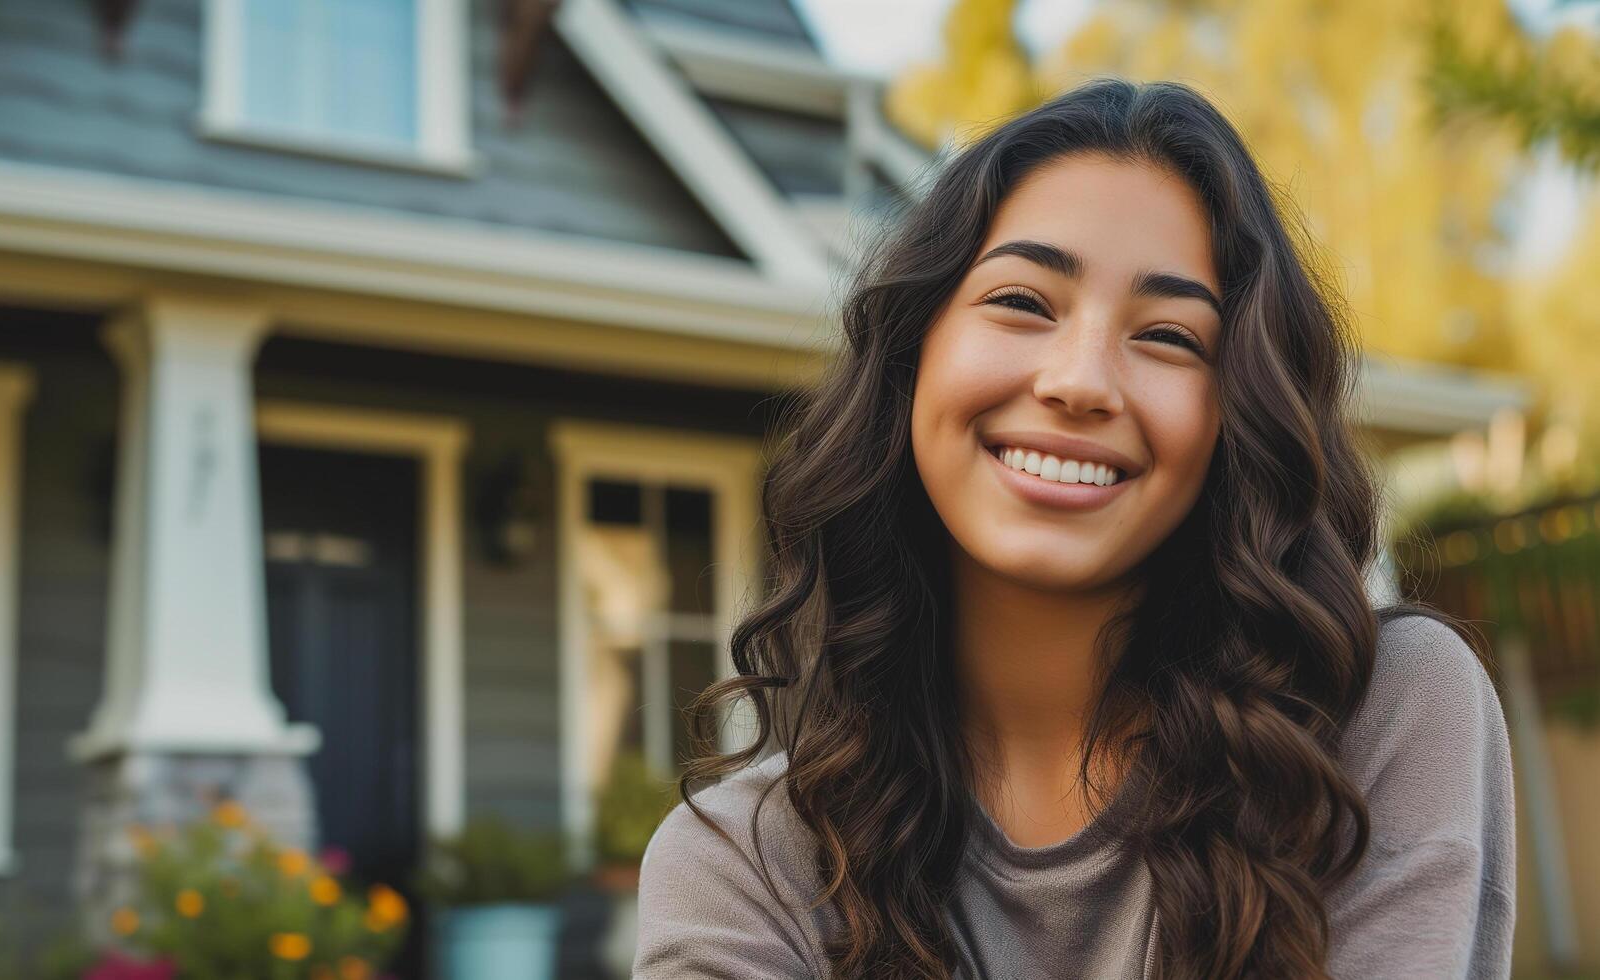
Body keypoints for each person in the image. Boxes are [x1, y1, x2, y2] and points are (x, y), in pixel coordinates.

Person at [632, 77, 1516, 980]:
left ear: (1236, 418)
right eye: (1021, 301)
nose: (1081, 380)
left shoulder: (1375, 714)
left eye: (1170, 336)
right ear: (911, 359)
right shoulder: (744, 871)